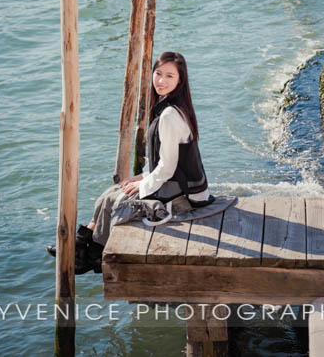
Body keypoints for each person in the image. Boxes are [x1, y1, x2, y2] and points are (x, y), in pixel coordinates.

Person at [47, 51, 211, 275]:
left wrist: (143, 186)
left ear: (180, 80)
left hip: (186, 194)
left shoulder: (170, 115)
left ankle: (92, 254)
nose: (161, 81)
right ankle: (82, 248)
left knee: (119, 200)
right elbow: (164, 160)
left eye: (170, 76)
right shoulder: (168, 106)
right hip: (175, 180)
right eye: (158, 73)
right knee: (108, 195)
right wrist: (143, 176)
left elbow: (169, 166)